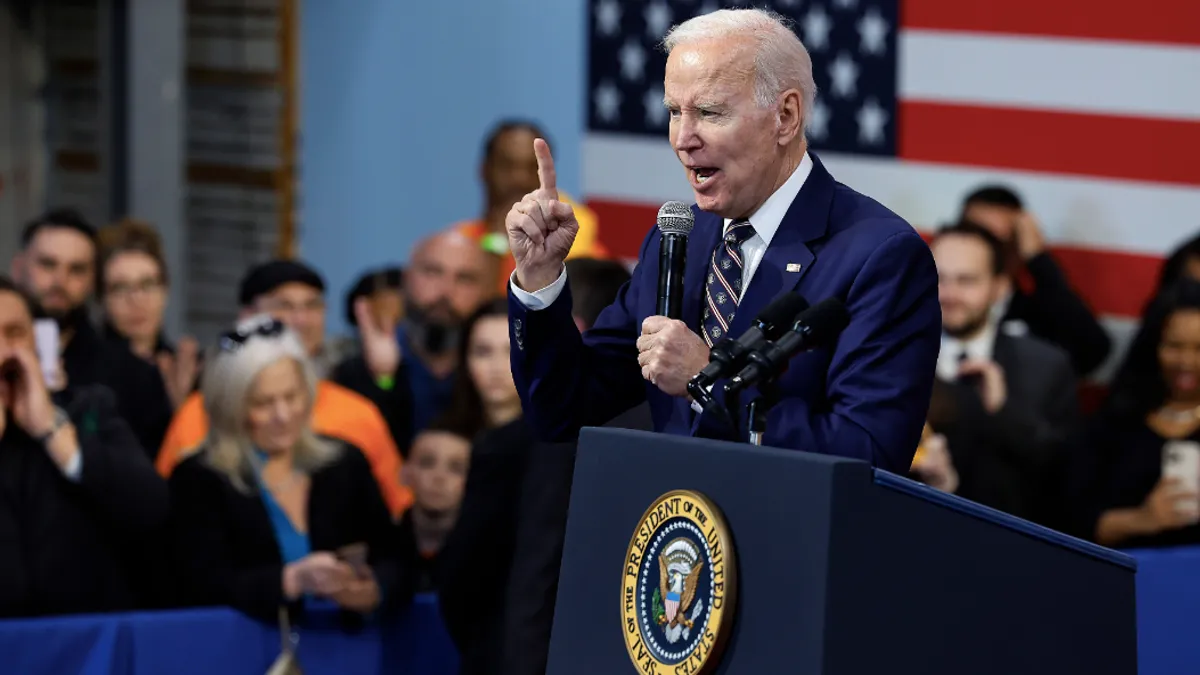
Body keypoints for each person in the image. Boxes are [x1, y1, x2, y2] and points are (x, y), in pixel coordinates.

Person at [504, 8, 940, 472]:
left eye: (709, 112)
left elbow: (867, 456)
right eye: (674, 112)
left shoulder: (878, 256)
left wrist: (707, 380)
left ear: (786, 116)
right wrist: (540, 279)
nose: (683, 139)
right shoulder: (676, 239)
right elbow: (562, 410)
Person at [169, 315, 412, 624]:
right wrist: (291, 581)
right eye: (263, 403)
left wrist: (375, 590)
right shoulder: (198, 478)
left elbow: (397, 558)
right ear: (232, 407)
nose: (283, 415)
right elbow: (194, 585)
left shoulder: (344, 462)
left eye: (291, 396)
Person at [155, 261, 411, 519]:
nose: (301, 320)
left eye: (312, 305)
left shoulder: (359, 413)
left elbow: (398, 511)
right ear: (247, 316)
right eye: (284, 306)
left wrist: (385, 380)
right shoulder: (201, 412)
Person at [0, 274, 170, 617]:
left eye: (14, 333)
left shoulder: (88, 408)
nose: (4, 352)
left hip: (83, 651)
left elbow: (151, 507)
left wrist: (52, 429)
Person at [10, 208, 174, 457]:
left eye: (76, 270)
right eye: (47, 264)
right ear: (18, 267)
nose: (60, 281)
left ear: (91, 281)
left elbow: (147, 486)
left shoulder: (134, 376)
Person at [435, 299, 536, 675]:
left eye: (510, 350)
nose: (496, 367)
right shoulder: (446, 433)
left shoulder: (541, 446)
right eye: (482, 351)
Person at [1070, 280, 1200, 548]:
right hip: (1124, 579)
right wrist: (1143, 519)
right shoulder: (1116, 421)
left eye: (1199, 349)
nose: (1186, 362)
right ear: (1154, 346)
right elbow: (1071, 522)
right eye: (1174, 346)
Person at [959, 186, 1112, 377]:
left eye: (1001, 241)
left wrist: (1038, 259)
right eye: (977, 236)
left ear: (1020, 245)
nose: (989, 252)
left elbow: (1092, 349)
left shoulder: (1039, 317)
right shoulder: (928, 303)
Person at [454, 121, 608, 294]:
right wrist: (496, 243)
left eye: (533, 168)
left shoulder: (579, 246)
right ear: (484, 170)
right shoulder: (458, 243)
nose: (520, 179)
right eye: (506, 166)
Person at [97, 218, 200, 410]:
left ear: (165, 291)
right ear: (102, 300)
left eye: (147, 285)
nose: (136, 300)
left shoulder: (188, 371)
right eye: (120, 288)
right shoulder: (88, 374)